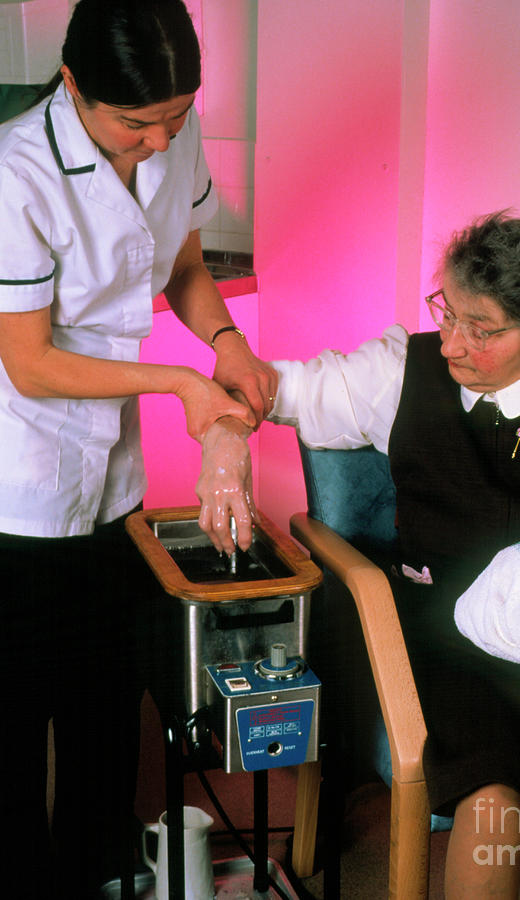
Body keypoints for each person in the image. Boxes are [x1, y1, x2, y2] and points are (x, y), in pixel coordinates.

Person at [197, 211, 520, 899]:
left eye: (483, 329)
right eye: (448, 314)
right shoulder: (396, 373)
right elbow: (269, 388)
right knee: (489, 799)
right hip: (442, 631)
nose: (452, 344)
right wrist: (227, 435)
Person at [0, 1, 277, 896]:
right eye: (137, 122)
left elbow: (185, 261)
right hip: (14, 484)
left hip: (108, 488)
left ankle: (94, 880)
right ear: (74, 83)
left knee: (104, 720)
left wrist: (226, 344)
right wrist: (182, 384)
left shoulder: (169, 131)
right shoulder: (15, 174)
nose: (160, 140)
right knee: (11, 733)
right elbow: (32, 364)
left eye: (177, 115)